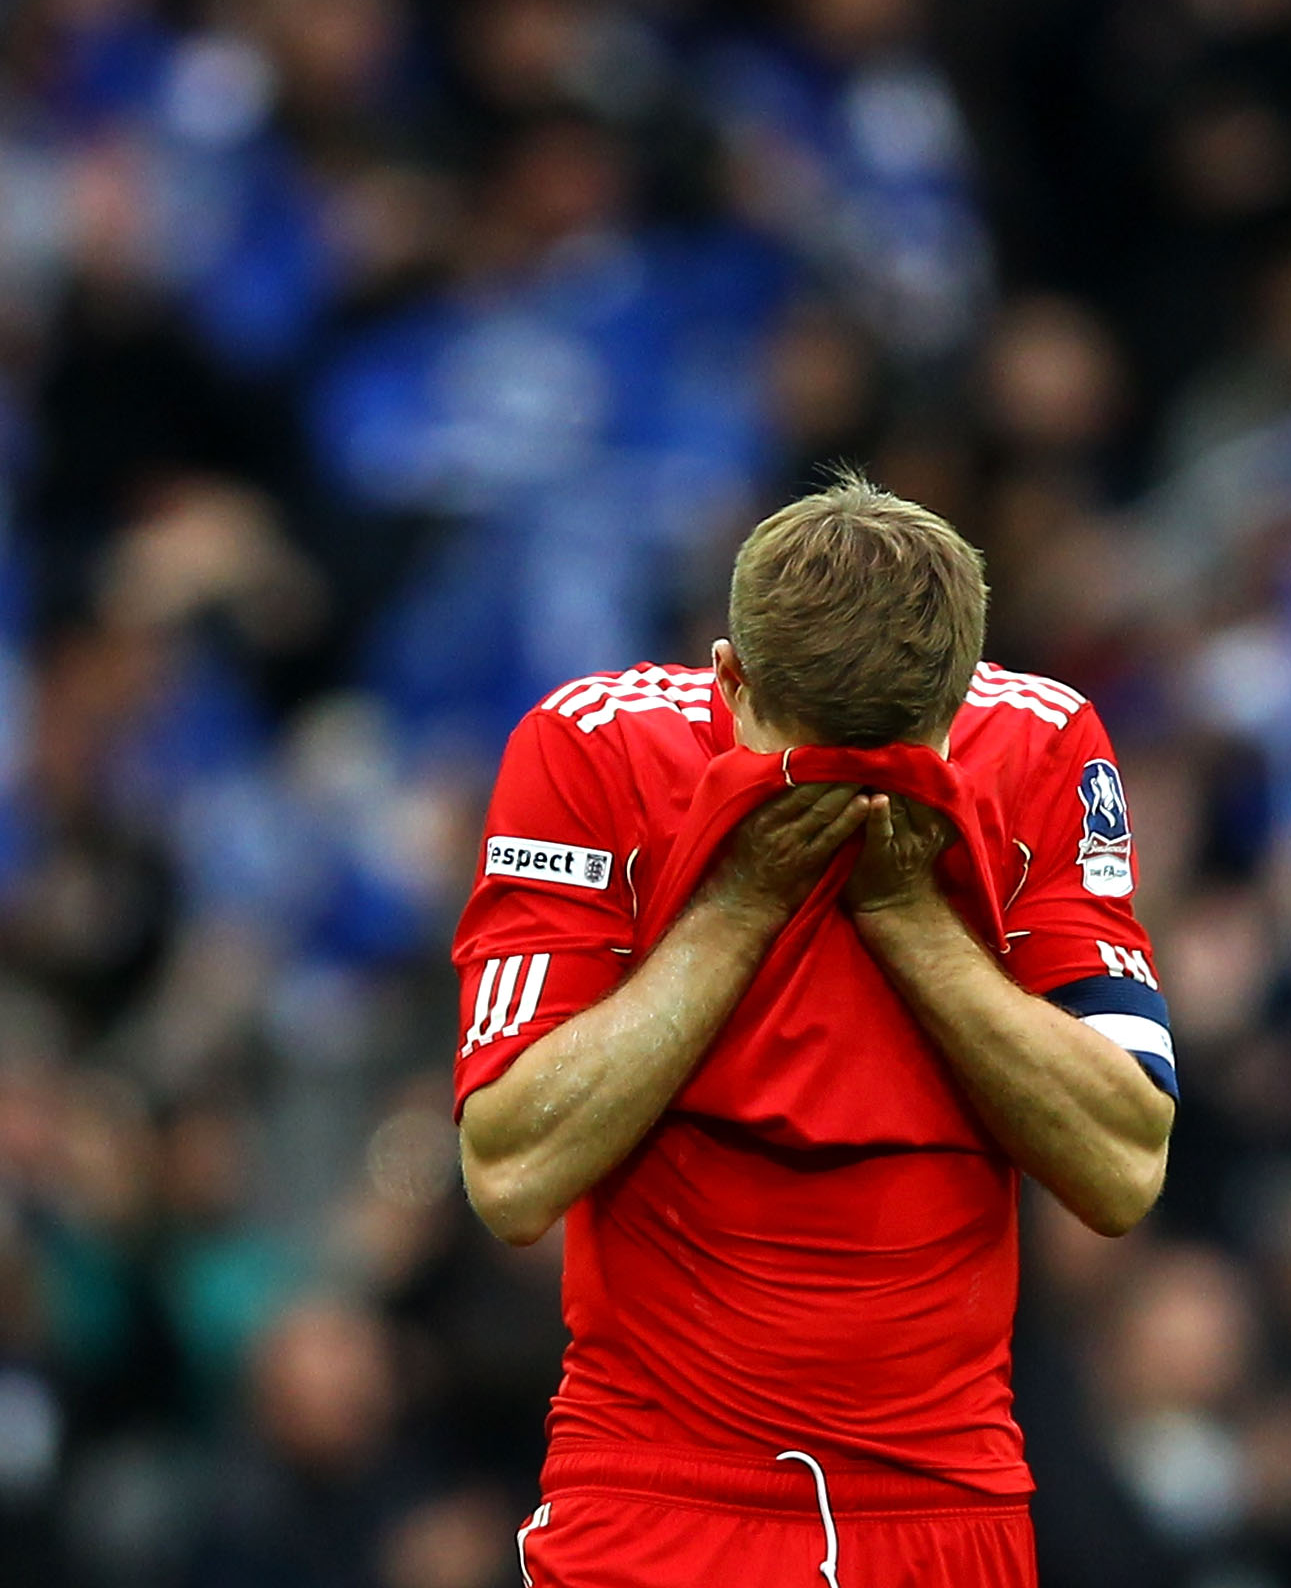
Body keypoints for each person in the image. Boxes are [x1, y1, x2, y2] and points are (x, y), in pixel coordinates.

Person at [451, 475, 1179, 1586]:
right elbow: (509, 1167)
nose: (848, 798)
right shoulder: (592, 749)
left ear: (955, 706)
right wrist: (736, 908)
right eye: (813, 763)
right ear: (729, 679)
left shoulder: (1039, 744)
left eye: (886, 768)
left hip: (944, 1503)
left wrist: (904, 916)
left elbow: (1124, 1163)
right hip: (658, 1491)